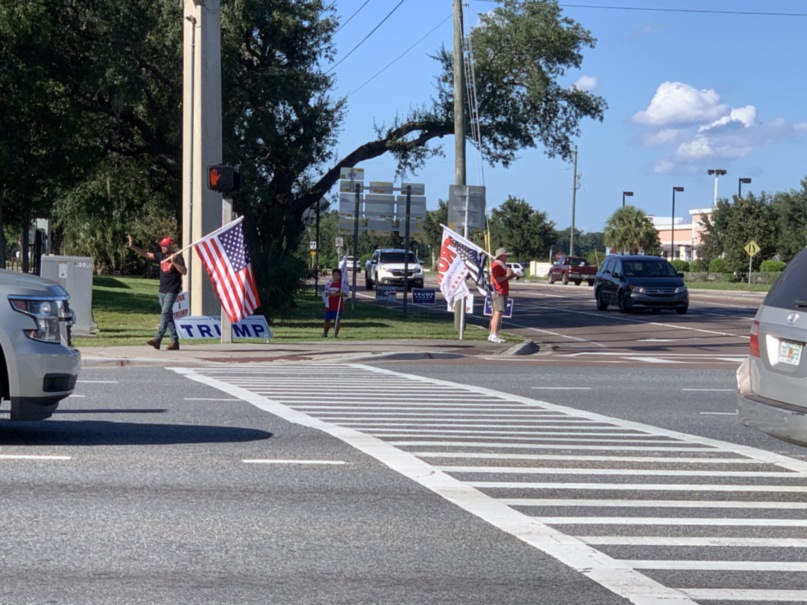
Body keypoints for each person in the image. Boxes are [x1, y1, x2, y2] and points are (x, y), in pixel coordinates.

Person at [127, 234, 187, 350]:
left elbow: (184, 271)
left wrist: (174, 262)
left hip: (172, 290)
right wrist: (132, 246)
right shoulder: (161, 256)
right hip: (162, 290)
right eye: (162, 246)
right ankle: (175, 342)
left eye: (165, 246)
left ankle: (158, 339)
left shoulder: (177, 257)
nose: (163, 248)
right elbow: (146, 254)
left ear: (171, 246)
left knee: (165, 313)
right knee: (168, 316)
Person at [488, 247, 517, 343]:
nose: (508, 257)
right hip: (498, 291)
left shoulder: (501, 265)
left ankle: (493, 334)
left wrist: (511, 276)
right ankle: (494, 334)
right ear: (501, 256)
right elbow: (497, 280)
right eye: (506, 255)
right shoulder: (496, 265)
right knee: (497, 313)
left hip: (501, 291)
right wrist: (507, 275)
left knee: (496, 313)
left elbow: (502, 279)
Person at [321, 267, 347, 338]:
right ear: (332, 275)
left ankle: (335, 334)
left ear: (340, 275)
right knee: (327, 320)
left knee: (336, 320)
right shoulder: (329, 283)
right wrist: (328, 294)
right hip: (329, 305)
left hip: (337, 305)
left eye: (338, 275)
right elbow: (325, 292)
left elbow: (345, 293)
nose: (336, 276)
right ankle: (325, 333)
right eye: (335, 275)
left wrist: (337, 294)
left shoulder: (342, 284)